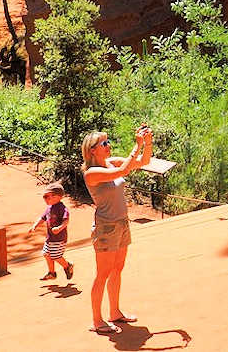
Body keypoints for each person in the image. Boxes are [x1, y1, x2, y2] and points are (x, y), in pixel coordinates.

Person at [82, 126, 152, 336]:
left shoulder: (110, 163)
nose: (108, 145)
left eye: (108, 141)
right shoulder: (92, 173)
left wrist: (147, 143)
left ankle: (114, 312)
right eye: (104, 143)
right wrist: (137, 145)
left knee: (117, 269)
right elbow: (123, 171)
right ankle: (97, 320)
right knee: (102, 274)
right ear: (92, 150)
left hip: (121, 223)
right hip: (106, 228)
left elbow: (143, 162)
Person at [30, 181, 73, 282]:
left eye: (47, 196)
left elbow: (66, 220)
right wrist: (35, 225)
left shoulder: (62, 208)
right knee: (46, 253)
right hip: (50, 238)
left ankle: (67, 266)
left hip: (59, 238)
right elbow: (43, 218)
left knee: (56, 256)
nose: (45, 199)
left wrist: (59, 228)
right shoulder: (49, 208)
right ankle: (52, 273)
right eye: (44, 197)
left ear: (57, 197)